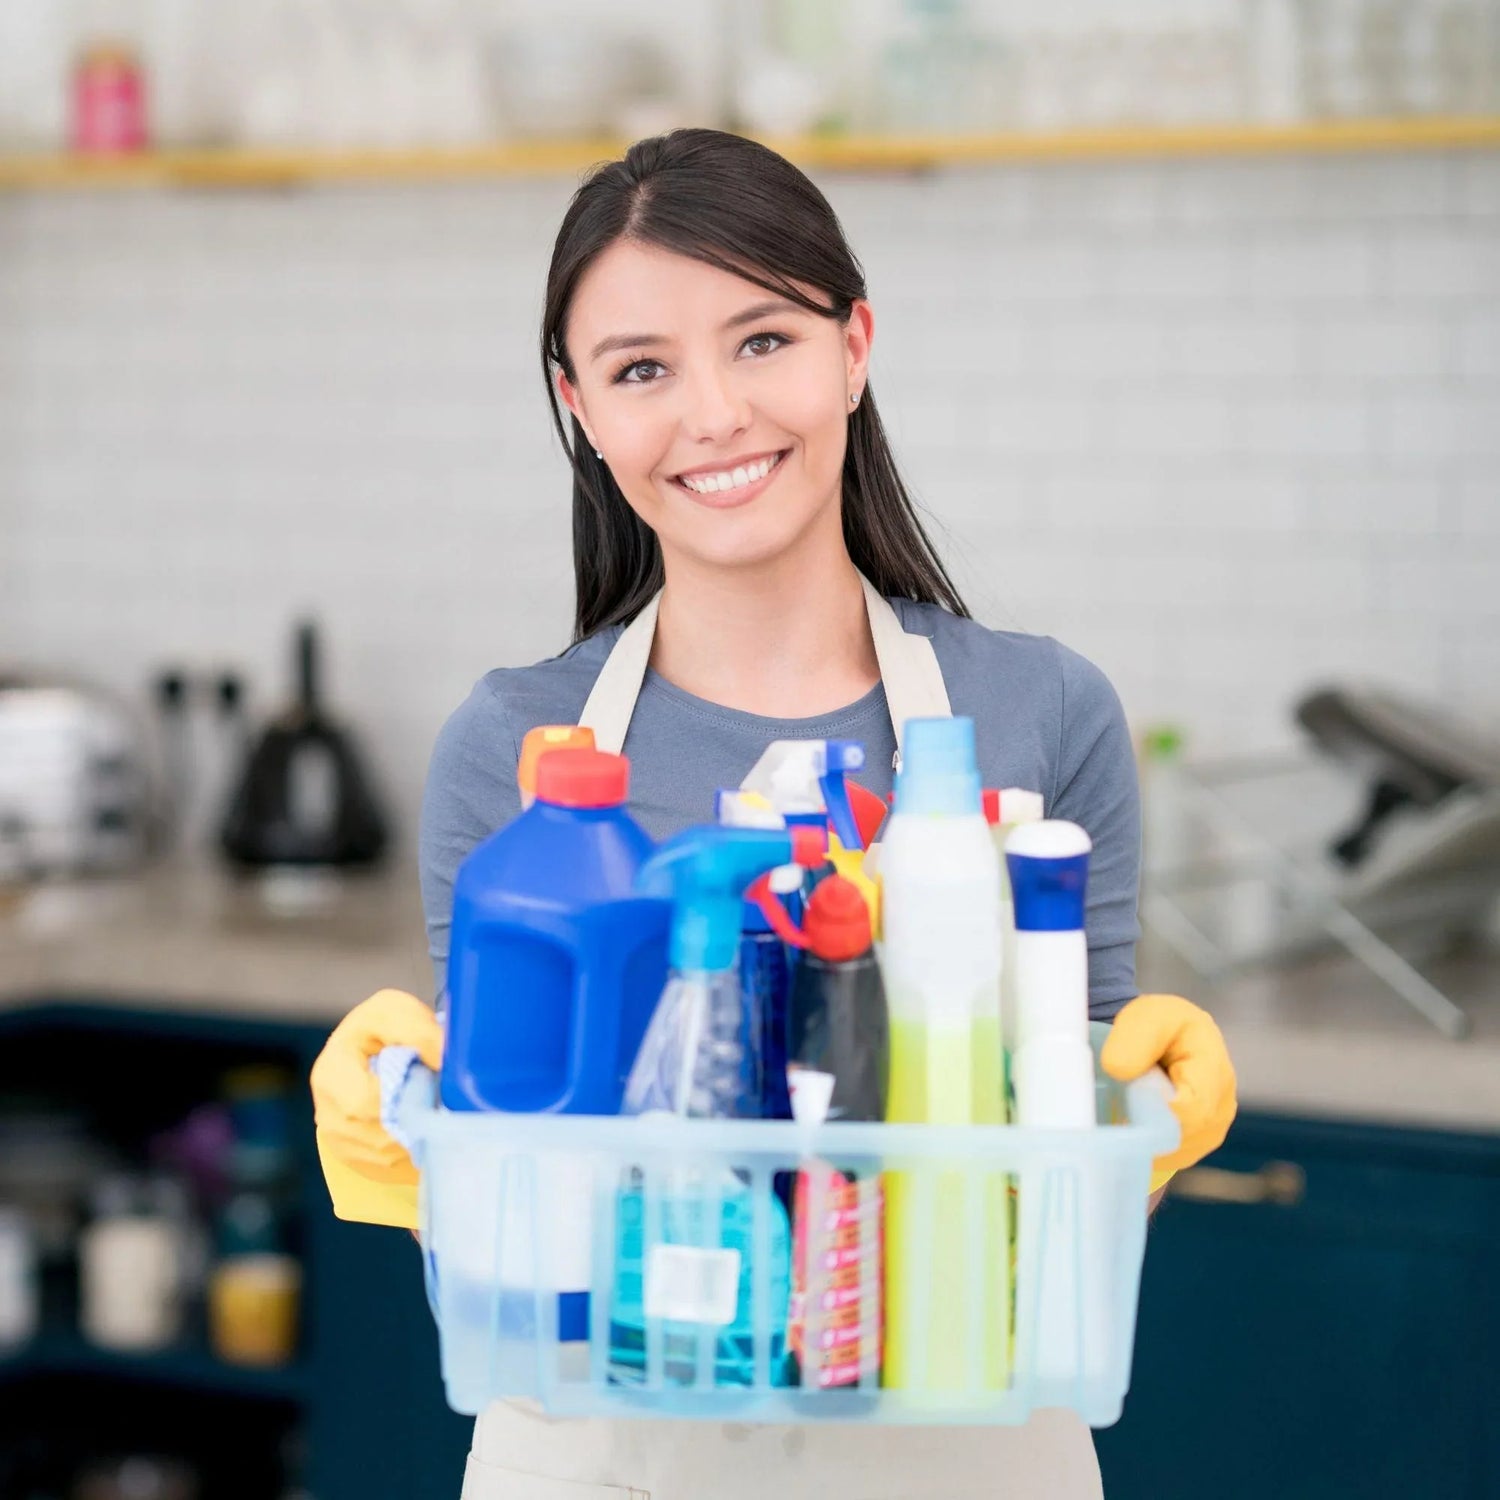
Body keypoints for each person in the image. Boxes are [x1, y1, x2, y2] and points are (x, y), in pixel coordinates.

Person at [311, 128, 1237, 1500]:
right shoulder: (514, 748)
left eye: (763, 341)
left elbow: (1052, 1235)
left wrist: (1132, 1126)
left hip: (967, 1461)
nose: (716, 415)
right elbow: (520, 1244)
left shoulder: (1043, 709)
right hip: (607, 1464)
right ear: (580, 409)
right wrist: (421, 1146)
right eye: (642, 370)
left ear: (853, 348)